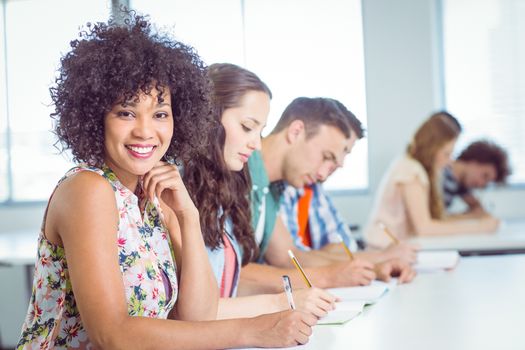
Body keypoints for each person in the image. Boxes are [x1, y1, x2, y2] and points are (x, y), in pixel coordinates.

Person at [17, 14, 315, 349]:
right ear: (94, 115)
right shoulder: (88, 189)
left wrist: (187, 216)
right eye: (126, 113)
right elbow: (111, 334)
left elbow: (199, 316)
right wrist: (252, 330)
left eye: (160, 114)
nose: (146, 131)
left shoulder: (157, 194)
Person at [183, 63, 336, 319]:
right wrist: (282, 302)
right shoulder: (175, 189)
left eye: (260, 130)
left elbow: (227, 287)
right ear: (208, 116)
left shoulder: (220, 190)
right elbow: (193, 312)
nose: (255, 143)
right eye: (247, 126)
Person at [240, 97, 413, 293]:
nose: (322, 174)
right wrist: (330, 277)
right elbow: (228, 274)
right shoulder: (239, 168)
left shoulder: (270, 188)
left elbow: (289, 256)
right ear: (296, 132)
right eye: (326, 156)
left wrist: (372, 268)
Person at [279, 105, 417, 267]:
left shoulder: (314, 188)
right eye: (336, 152)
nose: (340, 162)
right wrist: (381, 257)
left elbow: (345, 245)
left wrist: (321, 256)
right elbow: (292, 259)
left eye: (345, 152)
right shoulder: (288, 183)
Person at [364, 112, 500, 249]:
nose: (450, 161)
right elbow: (425, 228)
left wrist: (473, 219)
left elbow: (436, 221)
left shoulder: (415, 168)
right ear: (432, 149)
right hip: (383, 249)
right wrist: (479, 227)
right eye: (447, 154)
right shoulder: (410, 170)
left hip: (394, 248)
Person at [443, 140, 510, 216]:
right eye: (485, 175)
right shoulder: (442, 172)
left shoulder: (460, 184)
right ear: (475, 160)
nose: (481, 184)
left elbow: (479, 209)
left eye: (486, 183)